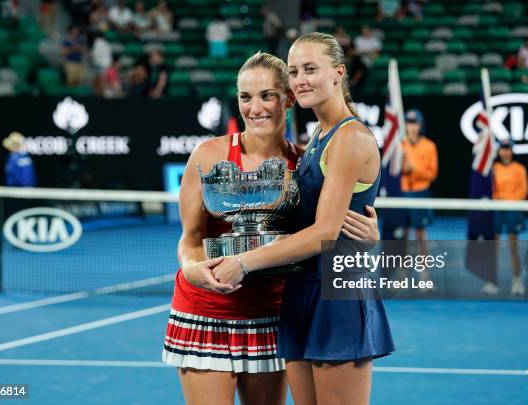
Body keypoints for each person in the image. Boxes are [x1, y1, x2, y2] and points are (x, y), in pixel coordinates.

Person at [162, 51, 381, 405]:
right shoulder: (206, 155)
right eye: (246, 97)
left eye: (267, 95)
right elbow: (191, 237)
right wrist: (191, 268)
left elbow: (328, 226)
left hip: (274, 313)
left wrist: (369, 240)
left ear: (288, 99)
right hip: (206, 309)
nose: (255, 107)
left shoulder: (306, 163)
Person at [490, 141, 528, 296]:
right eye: (503, 149)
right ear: (499, 151)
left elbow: (523, 191)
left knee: (513, 248)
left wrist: (510, 203)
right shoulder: (493, 169)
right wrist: (497, 201)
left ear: (512, 151)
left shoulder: (520, 169)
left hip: (513, 210)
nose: (505, 152)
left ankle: (516, 282)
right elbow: (491, 190)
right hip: (497, 210)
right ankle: (492, 281)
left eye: (508, 149)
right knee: (494, 247)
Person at [401, 109, 438, 260]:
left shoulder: (429, 146)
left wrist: (413, 170)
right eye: (409, 123)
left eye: (415, 123)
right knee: (403, 235)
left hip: (421, 193)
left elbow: (432, 174)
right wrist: (404, 169)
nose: (412, 127)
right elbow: (394, 171)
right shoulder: (400, 146)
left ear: (420, 125)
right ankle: (402, 276)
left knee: (421, 236)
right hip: (403, 194)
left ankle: (424, 276)